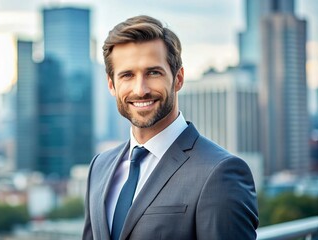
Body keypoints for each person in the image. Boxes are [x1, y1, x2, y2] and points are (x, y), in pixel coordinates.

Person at [83, 15, 259, 240]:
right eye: (127, 75)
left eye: (153, 73)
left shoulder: (220, 173)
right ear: (111, 85)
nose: (141, 89)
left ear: (178, 78)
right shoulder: (99, 167)